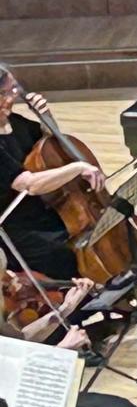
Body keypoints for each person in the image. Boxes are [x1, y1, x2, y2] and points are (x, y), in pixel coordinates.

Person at [0, 80, 98, 279]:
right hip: (18, 228)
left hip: (47, 210)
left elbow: (49, 146)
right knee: (68, 254)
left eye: (14, 90)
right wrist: (78, 168)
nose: (13, 97)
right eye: (6, 92)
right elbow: (28, 184)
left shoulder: (16, 123)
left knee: (96, 233)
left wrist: (46, 118)